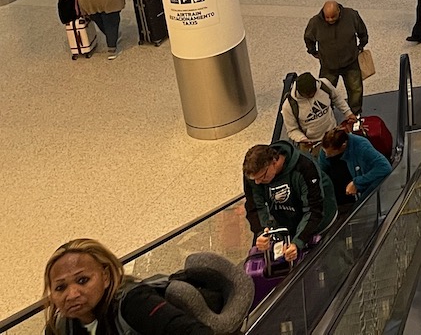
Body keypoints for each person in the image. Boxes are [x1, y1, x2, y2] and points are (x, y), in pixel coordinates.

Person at [42, 239, 223, 335]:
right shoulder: (59, 328)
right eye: (60, 288)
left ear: (105, 277)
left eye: (83, 280)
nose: (72, 294)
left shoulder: (135, 304)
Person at [243, 141, 336, 263]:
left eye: (262, 176)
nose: (258, 182)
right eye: (254, 179)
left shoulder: (305, 166)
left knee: (326, 258)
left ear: (274, 161)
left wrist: (298, 242)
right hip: (286, 219)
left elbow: (314, 209)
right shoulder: (255, 173)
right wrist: (261, 232)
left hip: (319, 220)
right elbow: (255, 206)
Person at [304, 0, 369, 115]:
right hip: (328, 65)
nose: (330, 20)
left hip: (350, 62)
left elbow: (362, 31)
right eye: (327, 17)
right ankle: (327, 113)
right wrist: (313, 51)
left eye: (333, 17)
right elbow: (308, 38)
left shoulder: (351, 15)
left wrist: (362, 44)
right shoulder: (315, 22)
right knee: (325, 92)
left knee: (355, 90)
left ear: (339, 11)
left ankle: (355, 113)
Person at [279, 72, 354, 151]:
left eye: (314, 93)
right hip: (314, 143)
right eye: (308, 95)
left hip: (333, 134)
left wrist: (348, 112)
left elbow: (336, 98)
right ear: (300, 92)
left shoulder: (324, 85)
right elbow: (292, 130)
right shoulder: (289, 106)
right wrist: (302, 139)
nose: (312, 96)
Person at [318, 127, 392, 206]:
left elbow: (384, 167)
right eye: (325, 151)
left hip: (357, 192)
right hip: (338, 192)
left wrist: (357, 183)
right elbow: (320, 172)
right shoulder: (327, 147)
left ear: (343, 145)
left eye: (330, 153)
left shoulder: (362, 147)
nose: (326, 155)